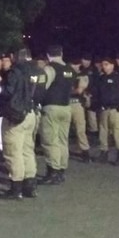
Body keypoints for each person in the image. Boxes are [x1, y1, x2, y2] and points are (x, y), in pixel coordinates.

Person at [0, 48, 40, 199]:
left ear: (15, 57)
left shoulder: (15, 72)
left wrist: (0, 87)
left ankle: (16, 187)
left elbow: (8, 92)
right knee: (27, 150)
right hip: (31, 112)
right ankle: (30, 186)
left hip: (16, 116)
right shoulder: (35, 71)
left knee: (13, 151)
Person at [39, 45, 75, 184]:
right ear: (61, 53)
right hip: (66, 107)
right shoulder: (70, 69)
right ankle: (61, 170)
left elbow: (43, 87)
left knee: (50, 140)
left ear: (48, 55)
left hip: (51, 107)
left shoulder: (50, 68)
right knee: (62, 140)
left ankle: (52, 171)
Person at [92, 57, 119, 166]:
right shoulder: (100, 78)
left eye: (107, 64)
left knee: (118, 132)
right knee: (103, 132)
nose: (104, 66)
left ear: (112, 65)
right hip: (104, 109)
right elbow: (97, 93)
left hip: (116, 109)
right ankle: (104, 153)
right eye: (103, 64)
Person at [67, 56, 91, 162]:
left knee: (80, 129)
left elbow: (79, 91)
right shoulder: (67, 75)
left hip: (77, 104)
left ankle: (85, 151)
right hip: (66, 104)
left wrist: (67, 91)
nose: (73, 67)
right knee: (64, 129)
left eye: (75, 65)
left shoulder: (82, 75)